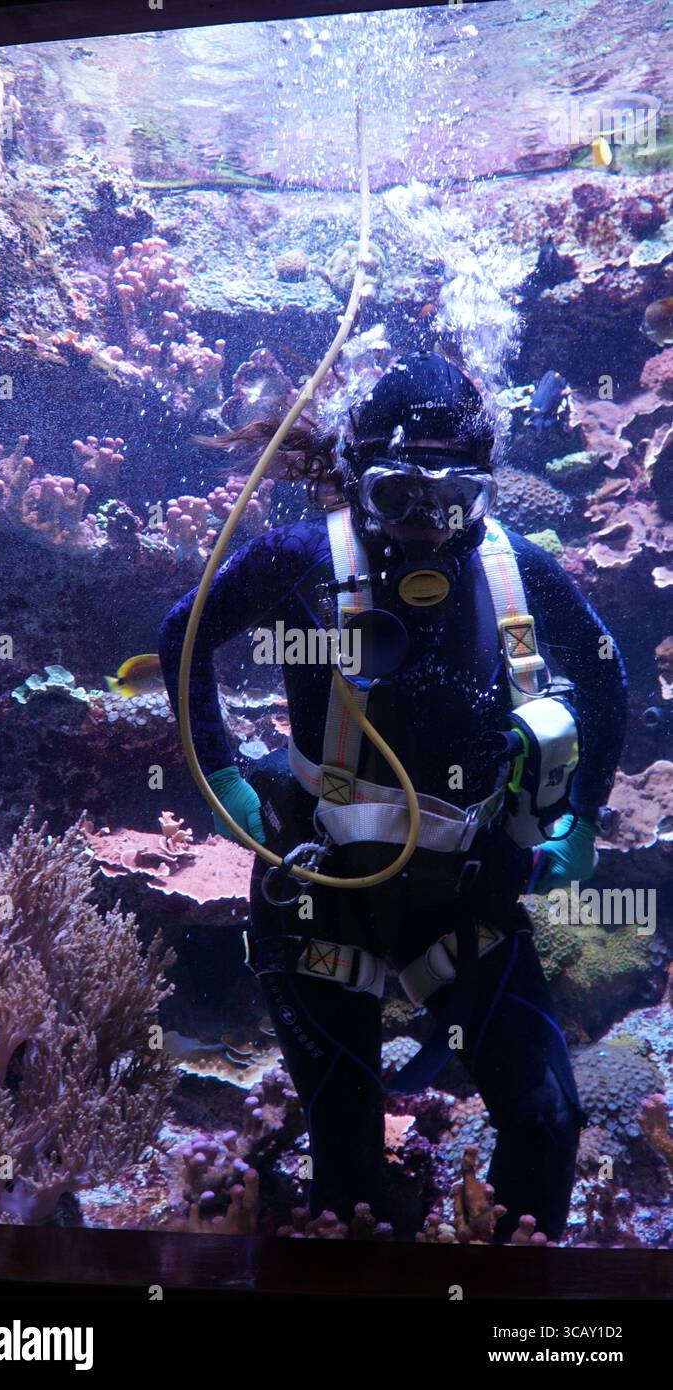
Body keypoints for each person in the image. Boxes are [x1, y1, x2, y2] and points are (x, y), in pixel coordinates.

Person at [158, 352, 627, 1241]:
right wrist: (219, 769)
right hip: (318, 894)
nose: (424, 527)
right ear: (354, 479)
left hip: (467, 901)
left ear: (483, 487)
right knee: (347, 1155)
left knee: (546, 1122)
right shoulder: (299, 559)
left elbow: (606, 679)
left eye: (450, 501)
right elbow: (185, 634)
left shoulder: (516, 570)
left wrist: (584, 814)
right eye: (396, 497)